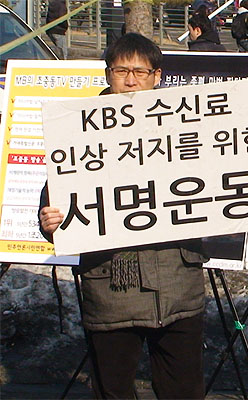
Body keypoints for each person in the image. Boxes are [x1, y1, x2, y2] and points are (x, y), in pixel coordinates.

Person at [39, 33, 208, 399]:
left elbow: (219, 178)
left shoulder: (188, 124)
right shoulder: (78, 129)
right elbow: (57, 196)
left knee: (184, 391)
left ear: (157, 76)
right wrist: (49, 220)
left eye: (140, 71)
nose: (131, 81)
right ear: (107, 74)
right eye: (121, 71)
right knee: (112, 392)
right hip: (110, 287)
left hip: (178, 285)